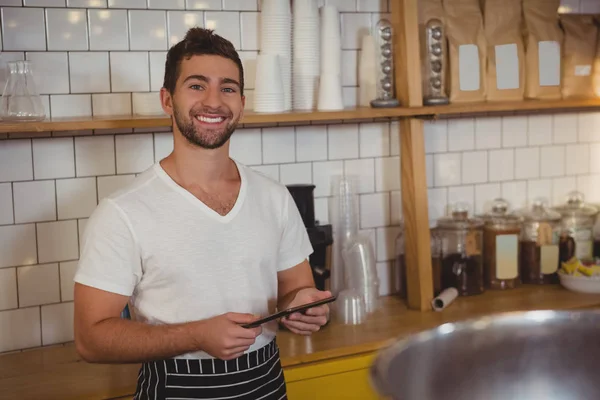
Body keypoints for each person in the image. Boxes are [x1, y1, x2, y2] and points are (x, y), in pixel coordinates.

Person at [73, 27, 331, 400]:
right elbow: (90, 338)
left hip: (267, 383)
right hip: (177, 385)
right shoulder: (123, 212)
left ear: (241, 102)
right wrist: (194, 336)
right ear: (167, 99)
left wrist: (303, 307)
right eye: (197, 86)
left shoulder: (273, 197)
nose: (214, 101)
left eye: (227, 88)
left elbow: (296, 289)